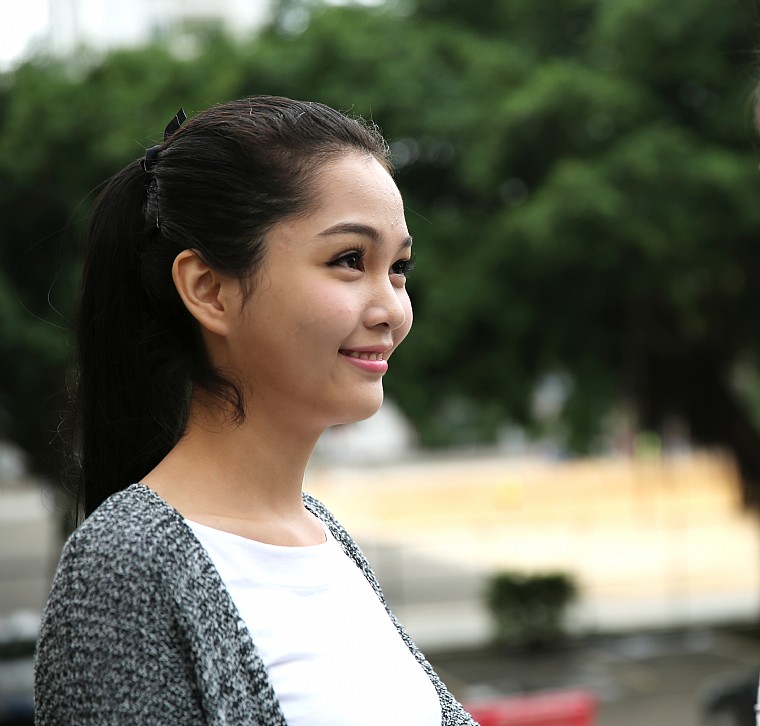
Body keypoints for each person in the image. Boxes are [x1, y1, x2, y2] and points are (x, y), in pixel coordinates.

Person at [33, 96, 477, 725]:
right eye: (350, 260)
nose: (392, 311)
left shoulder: (327, 541)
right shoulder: (125, 567)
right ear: (209, 290)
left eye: (399, 268)